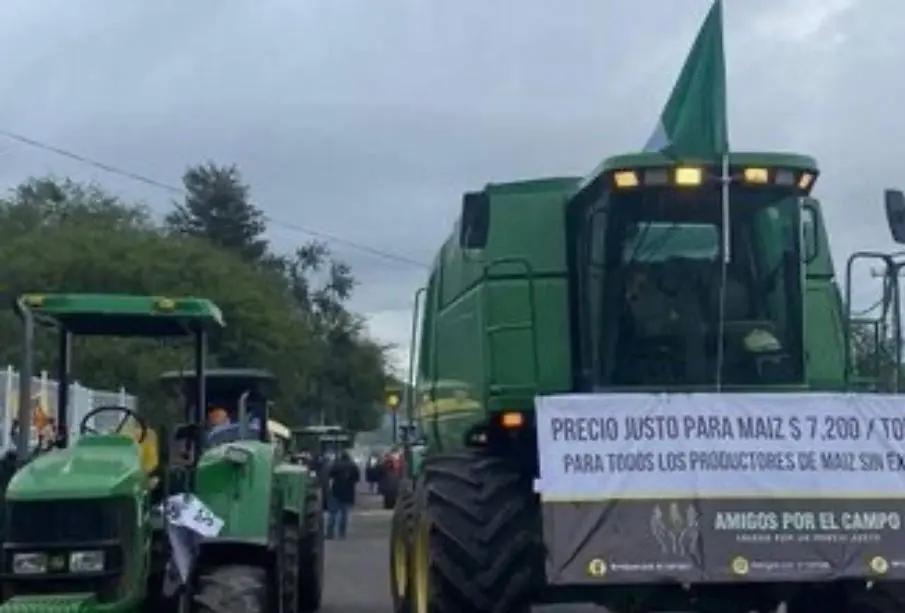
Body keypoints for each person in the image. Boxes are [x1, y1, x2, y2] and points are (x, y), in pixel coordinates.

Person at [326, 451, 360, 540]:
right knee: (344, 515)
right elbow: (357, 479)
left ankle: (330, 533)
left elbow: (330, 475)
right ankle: (342, 534)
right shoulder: (353, 466)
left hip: (336, 491)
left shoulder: (336, 465)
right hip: (348, 493)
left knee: (332, 513)